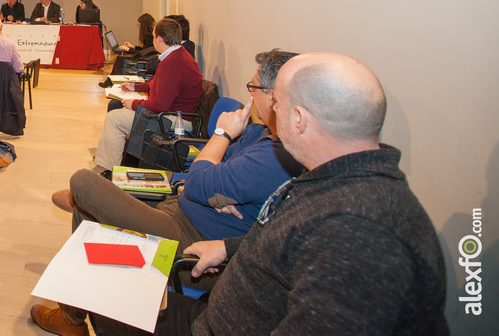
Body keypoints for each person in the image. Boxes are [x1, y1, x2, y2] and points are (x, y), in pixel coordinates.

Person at [86, 53, 449, 335]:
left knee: (98, 293)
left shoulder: (357, 233)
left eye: (277, 104)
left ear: (299, 119)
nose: (267, 111)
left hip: (214, 326)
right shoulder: (341, 180)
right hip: (220, 308)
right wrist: (228, 248)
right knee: (98, 282)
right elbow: (290, 238)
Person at [44, 51, 302, 282]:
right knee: (86, 212)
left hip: (190, 236)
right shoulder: (257, 133)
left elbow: (200, 179)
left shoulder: (276, 157)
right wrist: (215, 190)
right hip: (183, 207)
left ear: (273, 98)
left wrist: (221, 135)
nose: (250, 94)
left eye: (253, 86)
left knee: (83, 181)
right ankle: (73, 313)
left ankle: (82, 205)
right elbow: (209, 173)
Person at [94, 18, 203, 171]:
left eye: (153, 36)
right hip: (174, 114)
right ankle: (119, 160)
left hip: (171, 121)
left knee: (114, 119)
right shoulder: (179, 55)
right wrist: (135, 87)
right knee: (120, 111)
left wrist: (134, 103)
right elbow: (156, 84)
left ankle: (110, 169)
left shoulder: (172, 63)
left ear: (159, 39)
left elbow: (160, 105)